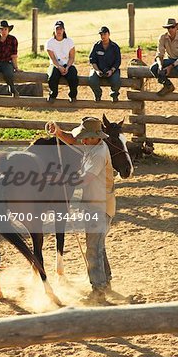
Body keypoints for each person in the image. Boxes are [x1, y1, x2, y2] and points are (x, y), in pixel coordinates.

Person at [47, 117, 115, 304]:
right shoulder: (92, 146)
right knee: (98, 246)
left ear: (94, 138)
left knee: (93, 249)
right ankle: (105, 282)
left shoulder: (98, 154)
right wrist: (59, 132)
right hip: (98, 203)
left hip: (99, 205)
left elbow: (85, 179)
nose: (82, 140)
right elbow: (71, 139)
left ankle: (99, 289)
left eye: (85, 137)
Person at [150, 18, 178, 98]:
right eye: (168, 28)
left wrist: (170, 66)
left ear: (176, 27)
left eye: (172, 27)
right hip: (170, 58)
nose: (170, 29)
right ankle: (167, 85)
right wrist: (160, 65)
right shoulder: (162, 37)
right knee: (153, 68)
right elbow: (159, 54)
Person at [45, 20, 79, 103]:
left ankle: (73, 95)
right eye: (57, 29)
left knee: (73, 76)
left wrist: (67, 67)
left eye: (60, 29)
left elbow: (72, 57)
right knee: (52, 76)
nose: (59, 31)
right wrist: (59, 67)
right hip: (55, 64)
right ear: (54, 30)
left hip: (67, 64)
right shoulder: (50, 42)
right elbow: (52, 58)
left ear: (64, 30)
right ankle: (53, 95)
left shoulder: (69, 41)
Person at [88, 26, 121, 102]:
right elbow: (92, 60)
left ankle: (114, 95)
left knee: (116, 81)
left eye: (104, 34)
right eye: (101, 34)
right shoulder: (96, 46)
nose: (103, 36)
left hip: (111, 69)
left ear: (109, 34)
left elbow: (118, 61)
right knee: (91, 79)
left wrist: (111, 70)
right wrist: (97, 70)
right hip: (98, 69)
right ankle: (97, 94)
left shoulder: (115, 47)